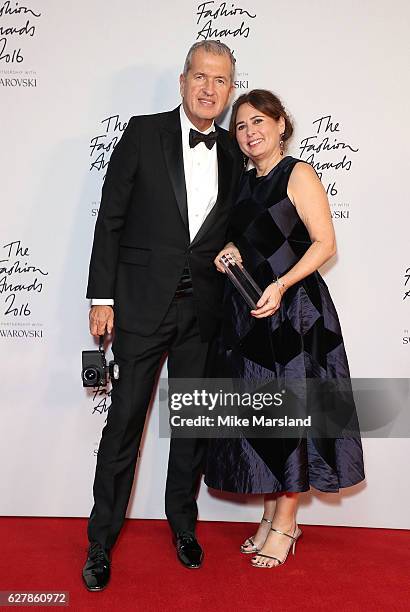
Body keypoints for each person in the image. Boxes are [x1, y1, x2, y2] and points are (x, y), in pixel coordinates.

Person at [82, 41, 243, 590]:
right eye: (200, 76)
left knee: (193, 429)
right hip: (140, 308)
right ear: (182, 81)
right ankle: (100, 541)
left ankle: (182, 524)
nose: (208, 89)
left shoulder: (233, 153)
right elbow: (110, 219)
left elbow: (235, 230)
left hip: (203, 311)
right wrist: (100, 298)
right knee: (123, 424)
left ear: (230, 90)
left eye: (220, 81)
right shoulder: (142, 133)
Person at [205, 89, 365, 568]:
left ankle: (287, 522)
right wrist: (229, 251)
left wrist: (281, 285)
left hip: (295, 311)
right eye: (241, 127)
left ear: (280, 125)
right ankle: (274, 512)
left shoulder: (299, 174)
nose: (250, 133)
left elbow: (324, 244)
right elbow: (250, 236)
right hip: (252, 315)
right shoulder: (242, 183)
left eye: (259, 122)